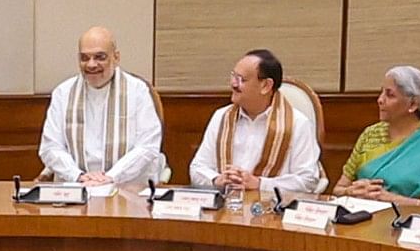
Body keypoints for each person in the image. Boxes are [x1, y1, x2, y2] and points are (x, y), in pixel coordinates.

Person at [36, 26, 162, 190]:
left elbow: (148, 146)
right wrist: (79, 176)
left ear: (116, 57)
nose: (91, 64)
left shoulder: (137, 91)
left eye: (100, 57)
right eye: (84, 58)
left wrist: (111, 177)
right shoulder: (63, 93)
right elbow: (50, 147)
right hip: (75, 187)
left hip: (126, 188)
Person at [189, 50, 320, 202]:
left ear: (266, 86)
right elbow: (197, 168)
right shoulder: (221, 117)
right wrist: (217, 180)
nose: (233, 84)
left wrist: (259, 184)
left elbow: (308, 180)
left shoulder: (298, 123)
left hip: (271, 214)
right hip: (224, 207)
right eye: (233, 76)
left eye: (241, 79)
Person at [340, 67, 420, 202]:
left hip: (410, 220)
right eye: (381, 92)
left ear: (413, 103)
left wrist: (393, 199)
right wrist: (350, 192)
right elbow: (339, 189)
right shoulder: (370, 135)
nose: (380, 100)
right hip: (359, 217)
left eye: (390, 95)